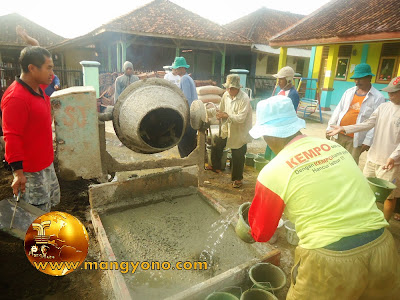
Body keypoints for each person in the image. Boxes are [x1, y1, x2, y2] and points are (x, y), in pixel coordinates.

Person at [246, 95, 400, 299]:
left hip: (331, 261)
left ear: (268, 135)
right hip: (383, 248)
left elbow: (261, 233)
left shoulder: (273, 171)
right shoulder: (335, 149)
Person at [328, 76, 400, 222]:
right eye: (389, 92)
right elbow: (367, 124)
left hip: (391, 162)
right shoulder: (383, 107)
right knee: (367, 189)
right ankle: (366, 218)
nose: (390, 95)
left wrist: (394, 156)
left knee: (389, 196)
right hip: (373, 157)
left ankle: (384, 224)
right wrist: (344, 128)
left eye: (394, 92)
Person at [1, 46, 60, 212]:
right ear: (32, 68)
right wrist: (18, 174)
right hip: (31, 171)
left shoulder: (41, 87)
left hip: (46, 162)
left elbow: (53, 79)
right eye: (49, 68)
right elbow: (12, 137)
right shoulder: (16, 98)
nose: (52, 73)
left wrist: (32, 43)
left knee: (49, 207)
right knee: (34, 215)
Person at [326, 63, 385, 164]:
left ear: (369, 77)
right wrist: (329, 128)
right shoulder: (349, 92)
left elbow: (376, 122)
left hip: (356, 139)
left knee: (349, 165)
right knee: (333, 163)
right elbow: (338, 110)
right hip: (338, 134)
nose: (357, 82)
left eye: (360, 78)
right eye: (355, 79)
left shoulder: (378, 97)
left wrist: (368, 141)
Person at [209, 74, 252, 188]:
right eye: (227, 88)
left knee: (238, 154)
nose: (229, 90)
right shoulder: (226, 95)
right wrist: (217, 114)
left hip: (240, 130)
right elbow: (221, 109)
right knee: (217, 144)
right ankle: (216, 167)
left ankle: (238, 179)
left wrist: (226, 115)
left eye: (231, 88)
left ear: (238, 88)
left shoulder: (244, 98)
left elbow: (241, 118)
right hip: (227, 127)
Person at [172, 56, 198, 157]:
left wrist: (183, 115)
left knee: (183, 142)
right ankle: (191, 162)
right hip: (193, 113)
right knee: (190, 142)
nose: (175, 70)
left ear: (182, 68)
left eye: (177, 68)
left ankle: (186, 163)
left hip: (189, 115)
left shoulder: (184, 79)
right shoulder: (188, 78)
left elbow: (186, 99)